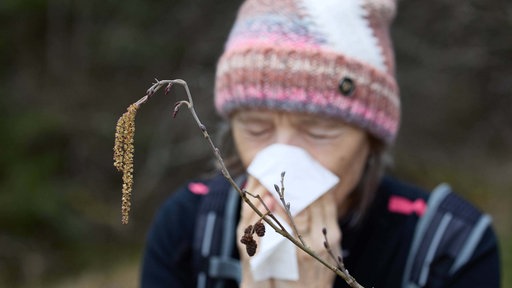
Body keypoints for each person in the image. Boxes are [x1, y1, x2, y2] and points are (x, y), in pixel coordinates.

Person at [140, 0, 501, 287]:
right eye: (256, 128)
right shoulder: (189, 229)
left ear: (371, 141)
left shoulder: (451, 248)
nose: (281, 162)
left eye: (319, 132)